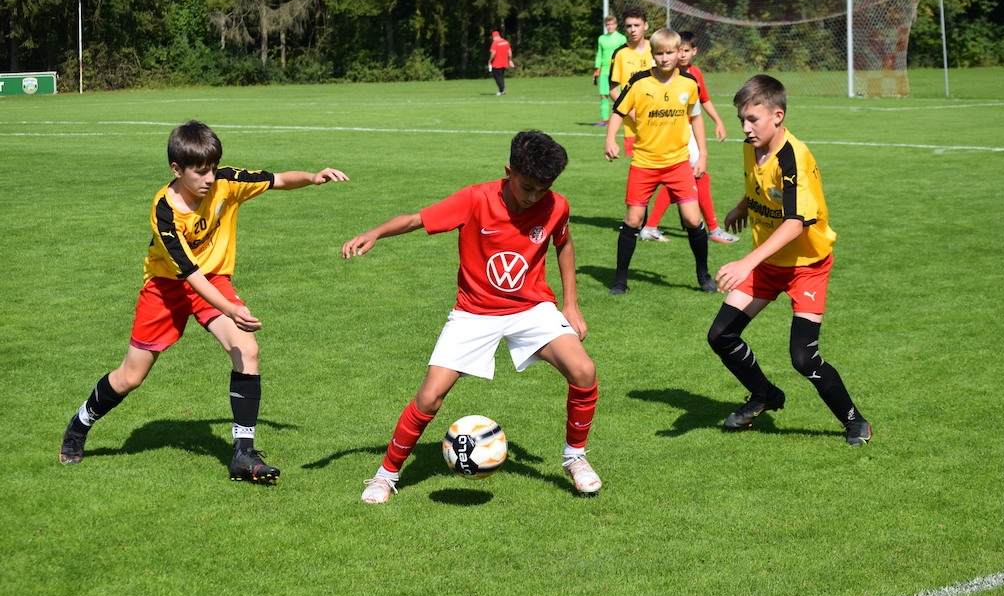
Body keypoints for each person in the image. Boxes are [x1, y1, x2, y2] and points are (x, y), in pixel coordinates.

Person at [58, 120, 349, 480]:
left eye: (212, 168)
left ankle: (243, 454)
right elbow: (190, 275)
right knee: (131, 376)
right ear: (176, 169)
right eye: (199, 172)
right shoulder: (165, 211)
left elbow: (276, 179)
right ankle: (80, 424)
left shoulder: (226, 181)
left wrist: (313, 177)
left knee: (246, 349)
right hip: (167, 288)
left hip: (213, 280)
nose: (209, 178)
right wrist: (231, 309)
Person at [342, 130, 601, 504]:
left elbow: (564, 243)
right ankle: (386, 475)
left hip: (531, 309)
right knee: (430, 397)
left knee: (584, 371)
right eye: (527, 187)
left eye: (542, 189)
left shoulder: (556, 205)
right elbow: (416, 220)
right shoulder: (475, 199)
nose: (533, 197)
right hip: (474, 313)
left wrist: (571, 303)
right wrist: (376, 233)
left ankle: (574, 458)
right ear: (508, 171)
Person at [707, 75, 872, 446]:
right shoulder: (752, 147)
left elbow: (796, 222)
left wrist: (746, 262)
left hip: (806, 266)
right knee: (721, 335)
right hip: (769, 264)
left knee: (803, 358)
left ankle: (855, 422)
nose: (746, 128)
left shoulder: (793, 157)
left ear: (777, 115)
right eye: (741, 120)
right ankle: (764, 394)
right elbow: (764, 186)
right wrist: (742, 205)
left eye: (753, 119)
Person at [604, 28, 715, 296]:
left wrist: (702, 153)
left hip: (678, 163)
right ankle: (620, 280)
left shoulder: (689, 83)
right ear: (652, 54)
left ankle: (703, 274)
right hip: (644, 163)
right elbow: (618, 111)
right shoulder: (639, 82)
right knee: (633, 219)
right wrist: (610, 139)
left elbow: (696, 117)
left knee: (692, 218)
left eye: (670, 53)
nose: (665, 58)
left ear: (679, 53)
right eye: (660, 53)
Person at [641, 31, 740, 246]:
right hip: (676, 133)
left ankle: (652, 226)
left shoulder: (695, 73)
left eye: (687, 50)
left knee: (691, 177)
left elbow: (703, 100)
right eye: (680, 51)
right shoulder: (665, 74)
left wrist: (718, 121)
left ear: (694, 51)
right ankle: (712, 229)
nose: (683, 55)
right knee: (695, 175)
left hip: (689, 133)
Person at [607, 6, 653, 159]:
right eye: (629, 26)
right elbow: (613, 91)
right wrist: (632, 112)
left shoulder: (657, 50)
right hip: (633, 126)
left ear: (645, 25)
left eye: (637, 25)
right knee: (641, 167)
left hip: (660, 119)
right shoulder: (620, 54)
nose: (633, 30)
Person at [592, 15, 627, 127]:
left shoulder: (622, 38)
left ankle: (623, 117)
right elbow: (600, 55)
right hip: (604, 71)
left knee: (618, 96)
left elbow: (625, 55)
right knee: (603, 95)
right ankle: (605, 120)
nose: (610, 26)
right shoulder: (601, 39)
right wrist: (597, 70)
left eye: (612, 24)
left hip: (618, 71)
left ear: (616, 25)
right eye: (608, 24)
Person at [488, 31, 514, 96]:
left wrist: (490, 60)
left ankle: (502, 91)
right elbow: (509, 52)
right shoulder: (506, 42)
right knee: (501, 77)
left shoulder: (495, 43)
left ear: (494, 37)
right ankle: (502, 89)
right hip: (504, 62)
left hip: (497, 63)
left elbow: (493, 53)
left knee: (497, 77)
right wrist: (510, 60)